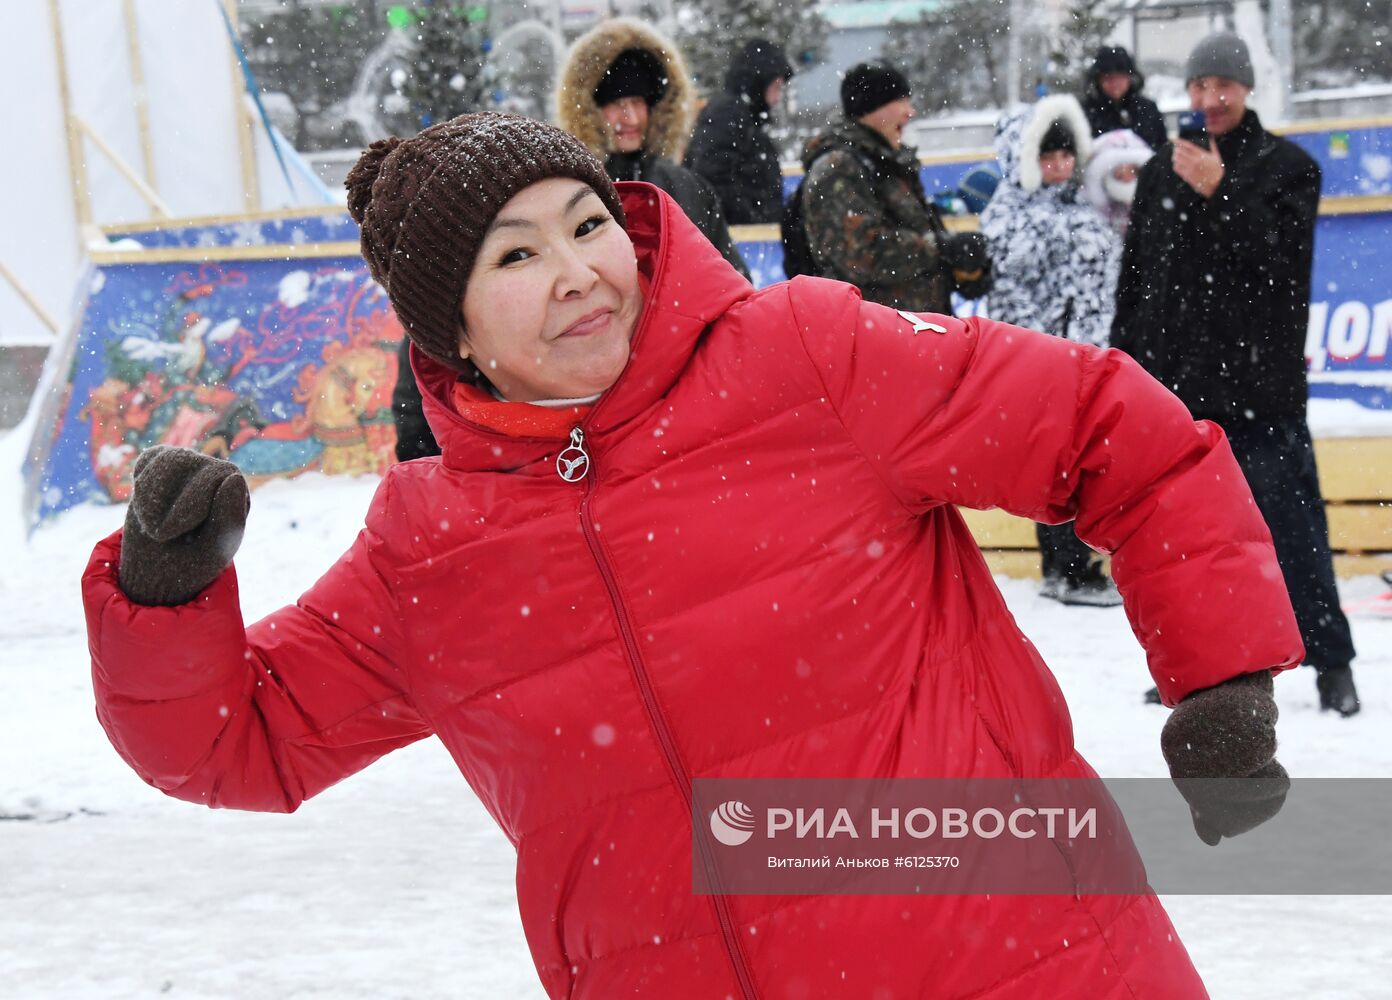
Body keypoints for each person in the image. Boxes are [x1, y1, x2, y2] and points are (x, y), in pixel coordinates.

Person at [84, 112, 1302, 998]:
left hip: (1028, 964)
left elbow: (1107, 428)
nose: (577, 274)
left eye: (586, 224)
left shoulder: (806, 358)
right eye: (515, 257)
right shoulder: (429, 546)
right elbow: (233, 738)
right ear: (451, 333)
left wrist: (1222, 675)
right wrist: (165, 591)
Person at [1112, 32, 1360, 716]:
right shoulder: (1163, 170)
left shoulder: (1289, 169)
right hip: (1177, 393)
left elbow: (1282, 270)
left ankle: (1332, 665)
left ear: (1245, 89)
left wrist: (1222, 193)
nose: (1208, 99)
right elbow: (1137, 283)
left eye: (1222, 84)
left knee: (1292, 533)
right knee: (1186, 544)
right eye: (1198, 86)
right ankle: (1195, 669)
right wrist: (1126, 369)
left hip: (1260, 391)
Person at [981, 94, 1124, 606]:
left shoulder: (1087, 209)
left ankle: (1077, 563)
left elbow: (1098, 287)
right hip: (1037, 369)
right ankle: (1064, 568)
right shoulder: (1009, 215)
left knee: (1080, 468)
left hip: (1085, 364)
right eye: (1048, 156)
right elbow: (1012, 294)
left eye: (1066, 155)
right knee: (1051, 471)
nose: (1060, 166)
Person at [556, 17, 748, 277]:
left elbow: (731, 280)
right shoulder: (568, 194)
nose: (631, 118)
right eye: (617, 104)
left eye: (638, 102)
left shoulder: (687, 186)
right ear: (591, 111)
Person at [798, 61, 989, 312]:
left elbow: (915, 241)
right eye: (901, 101)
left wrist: (960, 271)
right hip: (876, 334)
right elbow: (859, 253)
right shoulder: (839, 168)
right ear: (872, 107)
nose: (910, 112)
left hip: (917, 331)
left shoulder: (890, 164)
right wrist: (939, 249)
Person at [682, 38, 791, 225]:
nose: (777, 98)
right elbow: (711, 177)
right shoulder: (729, 114)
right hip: (741, 241)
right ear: (759, 82)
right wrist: (751, 221)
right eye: (776, 87)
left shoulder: (744, 116)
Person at [1081, 46, 1167, 152]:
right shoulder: (1086, 112)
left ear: (1130, 77)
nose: (1115, 83)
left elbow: (1162, 150)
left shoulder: (1147, 109)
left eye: (1120, 76)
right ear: (1098, 79)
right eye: (1108, 77)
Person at [1083, 128, 1155, 237]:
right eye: (1119, 175)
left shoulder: (1154, 209)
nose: (1127, 178)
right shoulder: (1091, 215)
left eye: (1133, 171)